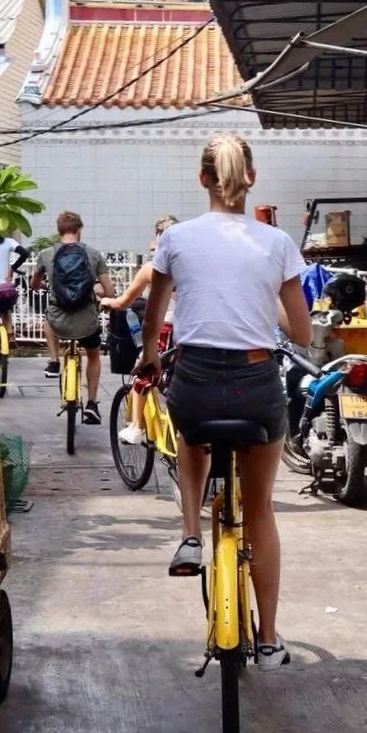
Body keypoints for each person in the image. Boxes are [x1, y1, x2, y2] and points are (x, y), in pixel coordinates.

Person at [139, 134, 311, 670]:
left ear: (202, 179)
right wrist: (266, 308)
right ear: (250, 179)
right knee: (259, 509)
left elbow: (154, 313)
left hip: (195, 378)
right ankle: (269, 638)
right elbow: (302, 333)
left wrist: (149, 354)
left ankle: (190, 534)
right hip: (258, 383)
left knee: (190, 436)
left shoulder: (177, 239)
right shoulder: (277, 243)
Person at [101, 214, 178, 445]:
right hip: (191, 332)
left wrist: (108, 302)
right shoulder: (193, 264)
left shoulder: (151, 268)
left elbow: (124, 301)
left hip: (165, 329)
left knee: (142, 372)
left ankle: (135, 427)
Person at [31, 210, 114, 423]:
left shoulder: (46, 255)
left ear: (58, 231)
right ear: (79, 231)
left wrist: (44, 285)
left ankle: (53, 361)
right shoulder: (93, 255)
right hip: (86, 322)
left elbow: (34, 284)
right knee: (93, 356)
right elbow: (110, 291)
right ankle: (92, 404)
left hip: (59, 321)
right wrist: (98, 292)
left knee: (47, 319)